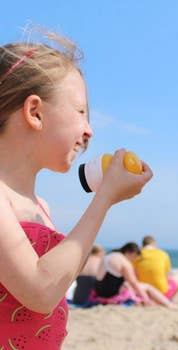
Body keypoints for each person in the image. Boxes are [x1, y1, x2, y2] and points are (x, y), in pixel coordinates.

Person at [0, 30, 153, 349]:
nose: (89, 130)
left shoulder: (41, 206)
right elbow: (41, 291)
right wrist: (105, 199)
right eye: (81, 111)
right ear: (35, 112)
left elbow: (58, 279)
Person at [92, 242, 176, 308]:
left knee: (130, 286)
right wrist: (146, 299)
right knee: (147, 287)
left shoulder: (110, 255)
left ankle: (162, 302)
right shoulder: (124, 262)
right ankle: (168, 304)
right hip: (111, 293)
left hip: (99, 291)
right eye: (134, 257)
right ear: (131, 253)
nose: (134, 260)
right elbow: (134, 283)